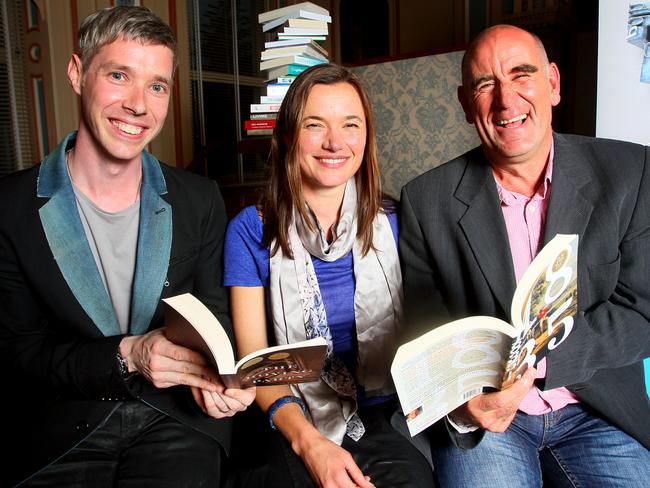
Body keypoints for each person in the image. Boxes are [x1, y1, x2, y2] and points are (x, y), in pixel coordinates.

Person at [0, 6, 254, 487]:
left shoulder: (199, 198)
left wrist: (218, 380)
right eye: (119, 75)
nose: (139, 105)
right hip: (60, 431)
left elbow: (215, 318)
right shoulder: (9, 208)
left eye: (157, 85)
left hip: (175, 419)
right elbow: (17, 354)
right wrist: (128, 354)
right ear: (77, 74)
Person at [400, 24, 650, 487]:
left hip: (597, 409)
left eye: (522, 74)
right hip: (489, 421)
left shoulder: (631, 172)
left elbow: (643, 313)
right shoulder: (425, 199)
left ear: (552, 84)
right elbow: (421, 327)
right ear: (465, 102)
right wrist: (461, 400)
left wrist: (541, 363)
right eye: (485, 84)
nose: (506, 100)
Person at [223, 63, 433, 488]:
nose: (335, 142)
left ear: (366, 137)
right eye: (314, 125)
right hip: (289, 410)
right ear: (286, 136)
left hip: (384, 407)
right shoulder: (250, 229)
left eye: (350, 125)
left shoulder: (398, 223)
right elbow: (258, 369)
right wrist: (310, 444)